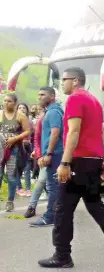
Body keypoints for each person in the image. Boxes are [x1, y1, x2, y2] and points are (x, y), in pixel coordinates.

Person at [38, 67, 104, 268]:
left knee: (63, 208)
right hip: (92, 160)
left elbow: (73, 131)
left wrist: (64, 163)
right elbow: (98, 132)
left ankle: (62, 255)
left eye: (64, 79)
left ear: (75, 81)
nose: (61, 83)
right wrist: (100, 161)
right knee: (93, 203)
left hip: (79, 160)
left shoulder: (74, 99)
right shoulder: (94, 101)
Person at [26, 87, 64, 227]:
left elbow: (55, 133)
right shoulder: (51, 111)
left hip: (54, 155)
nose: (39, 97)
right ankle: (58, 215)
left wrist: (48, 154)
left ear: (52, 96)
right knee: (55, 186)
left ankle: (50, 217)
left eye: (43, 94)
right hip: (54, 154)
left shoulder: (53, 112)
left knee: (52, 186)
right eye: (38, 94)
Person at [0, 93, 31, 211]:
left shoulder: (20, 116)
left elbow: (27, 131)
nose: (6, 103)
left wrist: (15, 138)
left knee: (11, 176)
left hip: (13, 150)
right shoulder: (0, 114)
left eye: (9, 101)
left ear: (15, 103)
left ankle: (10, 200)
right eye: (4, 101)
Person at [16, 102, 33, 196]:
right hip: (17, 147)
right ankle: (18, 188)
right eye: (20, 107)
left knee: (27, 168)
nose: (22, 109)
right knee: (17, 168)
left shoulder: (29, 121)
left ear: (27, 110)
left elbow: (30, 134)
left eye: (24, 108)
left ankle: (28, 188)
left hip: (27, 147)